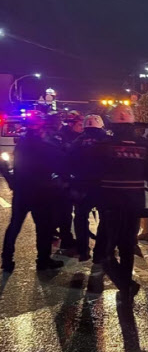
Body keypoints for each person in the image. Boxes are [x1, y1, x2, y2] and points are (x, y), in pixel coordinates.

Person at [94, 105, 148, 303]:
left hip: (110, 205)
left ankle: (125, 285)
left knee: (105, 251)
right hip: (133, 204)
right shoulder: (143, 145)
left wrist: (91, 199)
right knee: (127, 247)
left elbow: (93, 175)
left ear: (111, 122)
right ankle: (126, 288)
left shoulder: (103, 144)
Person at [1, 112, 66, 272]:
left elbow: (4, 164)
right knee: (43, 228)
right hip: (41, 193)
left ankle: (7, 260)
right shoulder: (45, 145)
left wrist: (11, 181)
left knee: (14, 226)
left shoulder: (22, 142)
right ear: (41, 127)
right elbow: (60, 163)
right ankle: (43, 261)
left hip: (22, 192)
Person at [70, 114, 110, 263]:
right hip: (103, 187)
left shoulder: (77, 141)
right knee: (105, 218)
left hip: (81, 186)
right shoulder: (107, 140)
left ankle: (83, 250)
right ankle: (100, 252)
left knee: (81, 217)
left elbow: (68, 162)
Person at [43, 113, 77, 250]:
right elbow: (62, 154)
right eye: (58, 120)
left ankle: (53, 235)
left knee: (55, 211)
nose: (60, 123)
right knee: (64, 212)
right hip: (57, 179)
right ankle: (65, 239)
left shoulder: (44, 135)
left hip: (49, 179)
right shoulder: (55, 137)